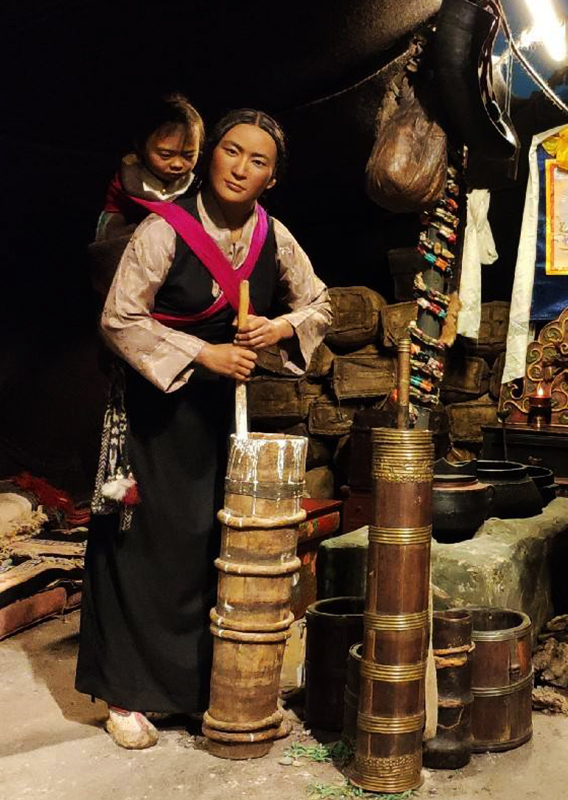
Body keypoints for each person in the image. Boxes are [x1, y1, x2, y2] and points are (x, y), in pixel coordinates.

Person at [76, 109, 333, 750]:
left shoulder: (275, 236)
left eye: (258, 161)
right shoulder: (163, 232)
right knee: (146, 549)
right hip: (155, 414)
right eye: (230, 151)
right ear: (208, 154)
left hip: (221, 416)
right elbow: (119, 318)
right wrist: (202, 352)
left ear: (272, 177)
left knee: (204, 548)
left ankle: (191, 691)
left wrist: (277, 328)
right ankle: (126, 695)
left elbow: (319, 302)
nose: (240, 168)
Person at [95, 93, 204, 242]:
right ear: (141, 145)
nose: (177, 164)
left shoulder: (200, 186)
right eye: (165, 155)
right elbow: (110, 237)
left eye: (188, 155)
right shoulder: (125, 183)